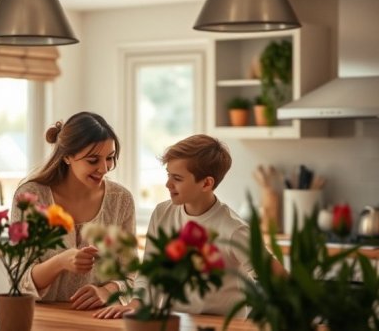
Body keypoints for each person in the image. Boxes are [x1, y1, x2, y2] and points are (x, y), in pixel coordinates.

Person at [93, 134, 286, 319]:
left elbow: (278, 278)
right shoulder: (162, 213)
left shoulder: (233, 230)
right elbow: (149, 273)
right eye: (168, 175)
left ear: (206, 183)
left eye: (177, 178)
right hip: (174, 322)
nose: (167, 184)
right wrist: (136, 304)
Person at [11, 111, 136, 311]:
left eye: (110, 158)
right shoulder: (30, 198)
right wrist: (61, 261)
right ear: (67, 156)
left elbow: (132, 277)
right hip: (42, 319)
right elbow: (19, 280)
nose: (104, 168)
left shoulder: (121, 200)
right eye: (93, 160)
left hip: (99, 319)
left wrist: (106, 292)